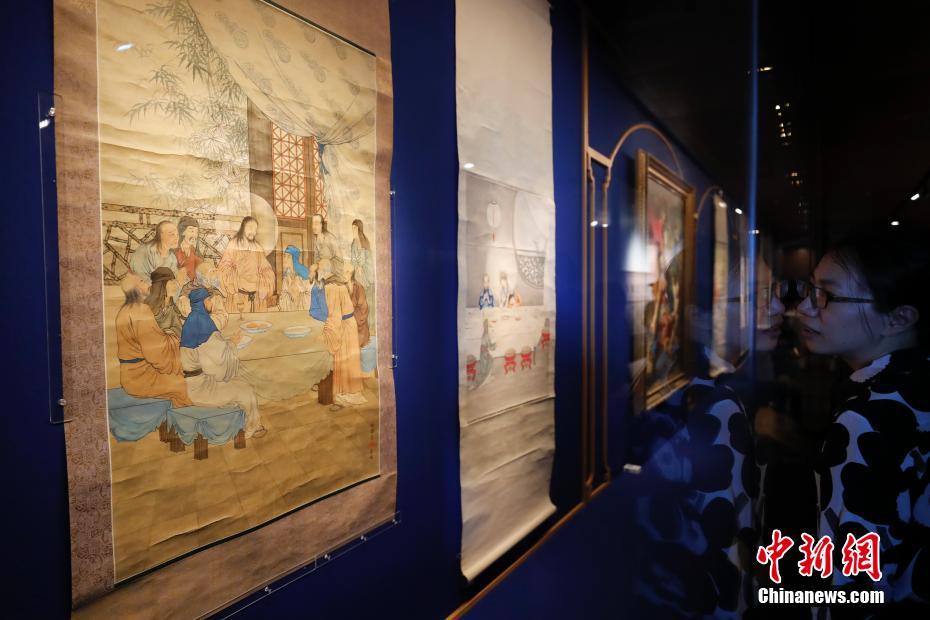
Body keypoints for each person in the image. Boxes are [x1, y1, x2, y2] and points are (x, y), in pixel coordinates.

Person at [796, 231, 929, 608]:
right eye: (810, 289)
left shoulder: (866, 419)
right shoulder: (916, 384)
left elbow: (852, 586)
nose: (805, 307)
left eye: (826, 295)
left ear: (898, 318)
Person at [180, 288, 266, 439]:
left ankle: (241, 425)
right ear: (201, 303)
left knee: (239, 384)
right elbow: (218, 365)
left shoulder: (193, 320)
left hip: (196, 381)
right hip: (199, 388)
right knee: (246, 391)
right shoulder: (202, 323)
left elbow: (210, 350)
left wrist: (227, 343)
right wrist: (232, 343)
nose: (211, 303)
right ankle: (252, 428)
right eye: (208, 300)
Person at [114, 273, 191, 407]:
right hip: (141, 377)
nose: (149, 284)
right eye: (142, 281)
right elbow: (157, 352)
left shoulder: (124, 310)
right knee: (183, 386)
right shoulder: (140, 310)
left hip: (131, 374)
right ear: (136, 289)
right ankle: (184, 419)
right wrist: (173, 335)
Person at [319, 259, 366, 407]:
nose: (318, 271)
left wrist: (328, 330)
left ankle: (346, 395)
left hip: (345, 326)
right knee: (348, 360)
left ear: (325, 271)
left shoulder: (331, 287)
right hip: (349, 324)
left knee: (344, 360)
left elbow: (335, 315)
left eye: (319, 269)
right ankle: (350, 392)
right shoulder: (338, 284)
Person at [219, 216, 276, 313]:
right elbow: (224, 267)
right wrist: (238, 276)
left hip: (256, 298)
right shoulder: (233, 244)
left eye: (255, 229)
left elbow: (266, 269)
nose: (253, 231)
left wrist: (259, 278)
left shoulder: (257, 247)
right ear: (243, 227)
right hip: (238, 297)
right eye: (250, 227)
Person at [144, 267, 186, 338]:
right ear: (161, 285)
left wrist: (171, 332)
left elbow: (179, 327)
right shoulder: (148, 307)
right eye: (172, 282)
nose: (175, 286)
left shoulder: (171, 305)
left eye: (175, 282)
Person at [344, 264, 370, 348]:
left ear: (351, 274)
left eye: (347, 272)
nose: (344, 275)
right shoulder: (342, 286)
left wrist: (359, 318)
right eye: (343, 272)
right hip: (345, 314)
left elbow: (363, 305)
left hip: (357, 315)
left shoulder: (358, 286)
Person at [174, 216, 202, 284]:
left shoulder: (196, 252)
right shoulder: (174, 252)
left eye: (196, 232)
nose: (194, 235)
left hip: (194, 286)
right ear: (182, 232)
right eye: (191, 231)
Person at [349, 218, 373, 293]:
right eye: (352, 228)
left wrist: (359, 267)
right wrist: (355, 267)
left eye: (355, 228)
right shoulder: (354, 242)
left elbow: (364, 260)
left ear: (359, 229)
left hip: (365, 270)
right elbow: (353, 259)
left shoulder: (363, 241)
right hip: (357, 268)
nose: (353, 230)